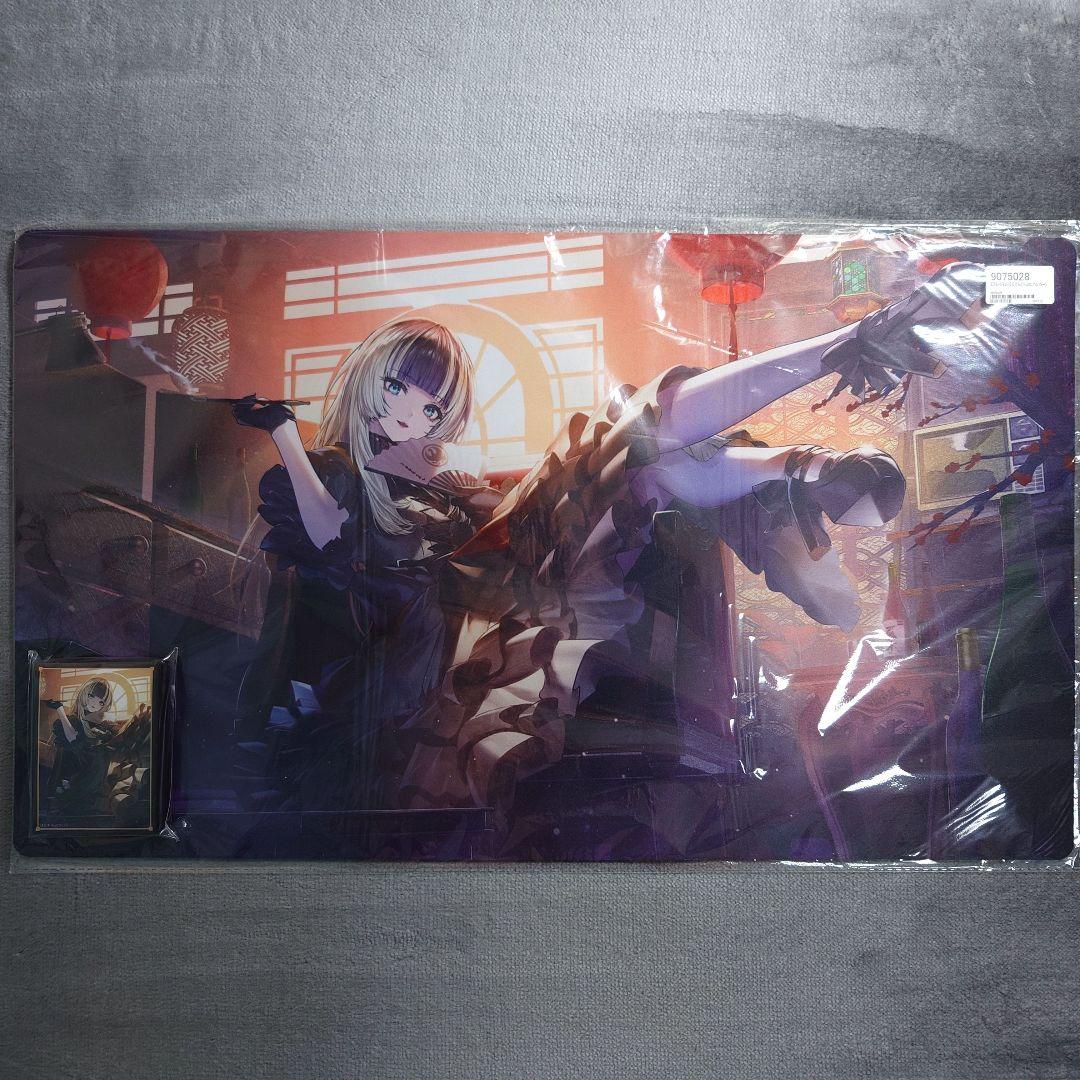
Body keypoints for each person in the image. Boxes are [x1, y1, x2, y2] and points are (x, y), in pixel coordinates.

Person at [232, 318, 489, 812]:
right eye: (397, 387)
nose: (410, 414)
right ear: (369, 379)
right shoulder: (336, 469)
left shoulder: (420, 489)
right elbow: (330, 536)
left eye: (431, 407)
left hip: (413, 696)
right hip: (338, 694)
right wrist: (283, 431)